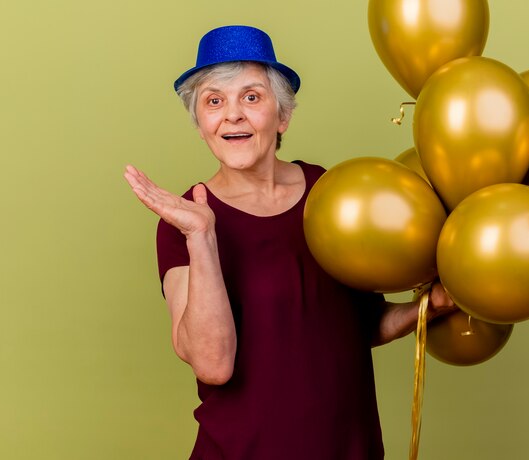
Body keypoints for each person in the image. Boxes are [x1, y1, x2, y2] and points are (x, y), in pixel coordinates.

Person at [124, 25, 454, 460]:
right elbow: (213, 365)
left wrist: (430, 306)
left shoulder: (330, 195)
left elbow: (362, 325)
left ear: (282, 116)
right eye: (214, 101)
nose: (233, 115)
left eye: (252, 96)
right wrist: (202, 237)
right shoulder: (183, 222)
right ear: (201, 124)